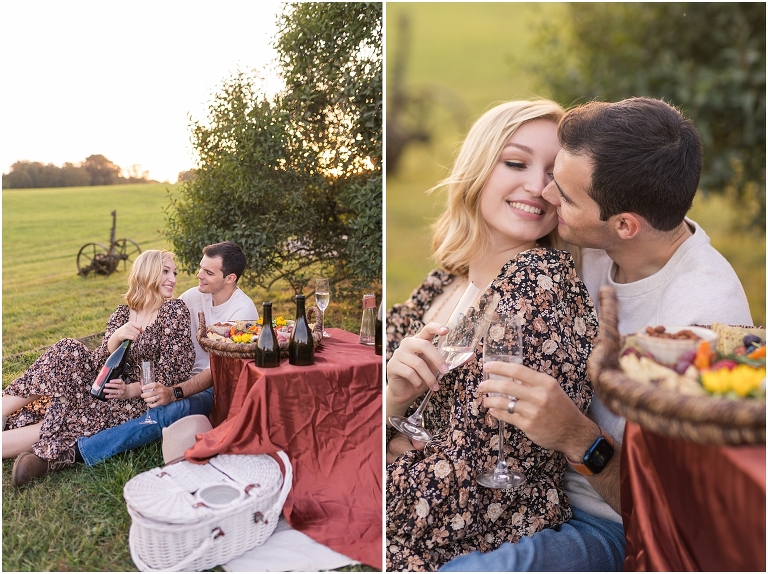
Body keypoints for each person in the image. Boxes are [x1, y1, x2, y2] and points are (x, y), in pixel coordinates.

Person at [439, 98, 754, 571]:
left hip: (607, 524)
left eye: (564, 196)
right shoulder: (597, 240)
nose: (546, 197)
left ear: (626, 225)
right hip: (524, 486)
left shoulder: (703, 328)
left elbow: (682, 514)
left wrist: (578, 437)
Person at [385, 100, 600, 571]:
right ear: (479, 168)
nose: (536, 187)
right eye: (516, 162)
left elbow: (466, 486)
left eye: (553, 176)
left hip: (469, 539)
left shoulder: (540, 284)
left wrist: (379, 443)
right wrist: (392, 406)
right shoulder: (444, 281)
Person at [4, 250, 195, 487]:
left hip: (132, 397)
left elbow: (174, 372)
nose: (173, 279)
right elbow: (99, 362)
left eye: (174, 273)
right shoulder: (124, 312)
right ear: (147, 273)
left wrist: (128, 391)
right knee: (68, 349)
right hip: (103, 380)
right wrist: (116, 336)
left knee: (72, 411)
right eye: (165, 271)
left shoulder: (174, 312)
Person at [70, 241, 259, 468]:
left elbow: (215, 372)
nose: (199, 275)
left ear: (230, 278)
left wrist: (174, 392)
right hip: (178, 374)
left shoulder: (243, 312)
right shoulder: (192, 297)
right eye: (201, 268)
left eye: (208, 272)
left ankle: (81, 451)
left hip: (215, 388)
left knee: (170, 410)